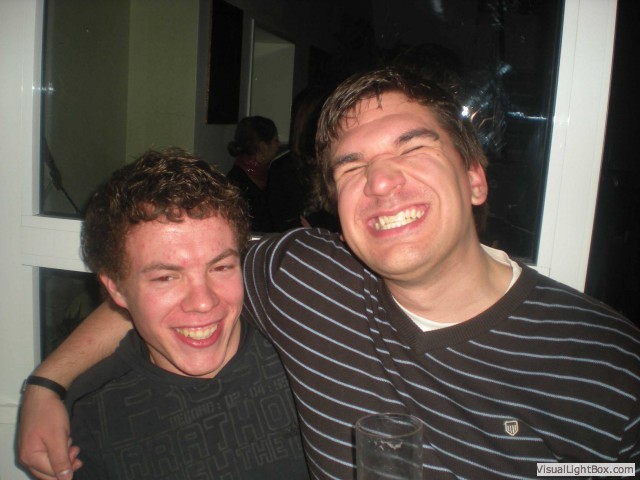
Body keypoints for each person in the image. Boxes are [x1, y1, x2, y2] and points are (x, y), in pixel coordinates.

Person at [18, 68, 640, 479]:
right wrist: (46, 385)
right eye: (351, 167)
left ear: (475, 177)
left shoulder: (608, 366)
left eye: (412, 147)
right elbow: (171, 280)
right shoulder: (305, 277)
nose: (382, 181)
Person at [21, 148, 308, 479]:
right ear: (116, 289)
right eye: (166, 277)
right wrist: (45, 385)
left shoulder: (301, 348)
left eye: (220, 267)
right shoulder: (91, 418)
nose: (203, 302)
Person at [226, 116, 280, 233]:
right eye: (276, 140)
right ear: (263, 146)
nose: (278, 145)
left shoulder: (268, 177)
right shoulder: (237, 185)